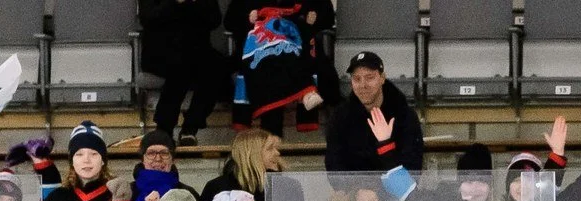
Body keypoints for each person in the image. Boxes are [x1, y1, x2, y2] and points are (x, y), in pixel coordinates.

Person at [227, 0, 331, 135]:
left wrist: (313, 18)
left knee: (326, 76)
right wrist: (248, 18)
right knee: (269, 74)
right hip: (259, 51)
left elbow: (327, 17)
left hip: (300, 45)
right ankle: (272, 138)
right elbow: (229, 21)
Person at [139, 0, 230, 146]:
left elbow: (214, 20)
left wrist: (196, 4)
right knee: (181, 64)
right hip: (160, 52)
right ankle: (165, 128)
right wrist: (174, 3)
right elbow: (147, 18)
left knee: (217, 67)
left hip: (197, 50)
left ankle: (190, 126)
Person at [323, 49, 424, 175]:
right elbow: (334, 168)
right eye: (357, 79)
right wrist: (356, 186)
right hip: (354, 187)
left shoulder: (405, 116)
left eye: (369, 77)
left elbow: (412, 172)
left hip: (395, 187)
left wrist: (385, 144)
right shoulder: (340, 117)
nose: (363, 85)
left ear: (382, 78)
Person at [197, 127, 283, 201]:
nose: (277, 153)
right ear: (251, 153)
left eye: (276, 148)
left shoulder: (282, 186)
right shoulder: (218, 188)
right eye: (270, 148)